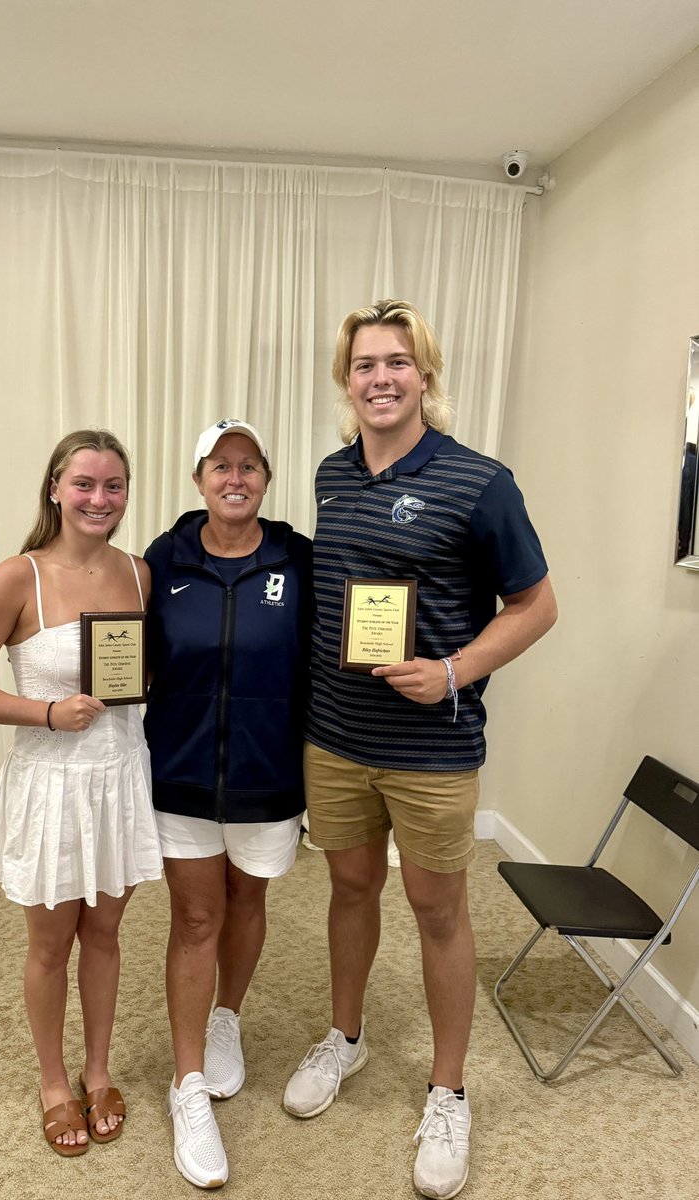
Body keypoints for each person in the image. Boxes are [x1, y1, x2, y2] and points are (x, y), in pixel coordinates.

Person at [282, 302, 557, 1199]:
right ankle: (347, 1037)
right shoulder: (331, 474)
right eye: (364, 365)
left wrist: (453, 671)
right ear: (345, 381)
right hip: (336, 737)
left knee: (439, 911)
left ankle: (449, 1090)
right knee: (350, 889)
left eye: (398, 362)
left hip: (433, 746)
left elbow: (536, 606)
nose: (381, 378)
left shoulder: (480, 481)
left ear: (426, 377)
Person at [0, 429, 162, 1156]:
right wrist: (45, 713)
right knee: (50, 945)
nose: (101, 499)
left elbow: (135, 670)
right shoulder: (17, 576)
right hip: (52, 783)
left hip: (122, 774)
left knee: (105, 936)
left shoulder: (139, 571)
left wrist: (145, 682)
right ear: (57, 489)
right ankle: (54, 1083)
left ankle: (99, 1072)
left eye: (114, 486)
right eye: (86, 484)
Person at [143, 419, 312, 1189]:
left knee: (247, 901)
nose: (234, 477)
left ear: (265, 479)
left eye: (248, 465)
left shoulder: (298, 559)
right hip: (181, 773)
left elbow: (336, 651)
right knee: (196, 917)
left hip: (267, 775)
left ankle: (226, 1018)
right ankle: (187, 1090)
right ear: (199, 478)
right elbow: (126, 656)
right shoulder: (163, 559)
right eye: (221, 465)